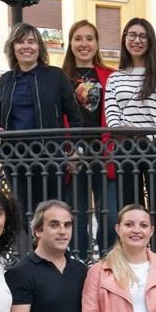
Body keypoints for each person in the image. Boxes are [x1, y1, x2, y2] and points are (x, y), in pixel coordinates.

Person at [0, 23, 83, 239]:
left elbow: (75, 118)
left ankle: (55, 259)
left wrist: (73, 149)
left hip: (50, 156)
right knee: (23, 212)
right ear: (13, 47)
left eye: (31, 41)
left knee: (52, 212)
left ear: (39, 47)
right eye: (20, 42)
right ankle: (29, 260)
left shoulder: (55, 76)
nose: (26, 47)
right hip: (15, 157)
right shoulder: (6, 80)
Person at [104, 18, 156, 253]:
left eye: (142, 36)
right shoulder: (115, 78)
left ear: (151, 41)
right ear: (124, 40)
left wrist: (148, 137)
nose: (136, 40)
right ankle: (132, 256)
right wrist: (129, 136)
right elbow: (112, 115)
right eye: (131, 35)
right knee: (130, 208)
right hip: (126, 148)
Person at [61, 20, 114, 257]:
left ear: (97, 43)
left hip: (104, 152)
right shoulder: (60, 77)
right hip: (73, 153)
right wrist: (67, 149)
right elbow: (57, 116)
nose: (84, 44)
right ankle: (78, 264)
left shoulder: (110, 76)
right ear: (70, 43)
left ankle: (108, 261)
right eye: (78, 38)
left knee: (110, 213)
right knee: (76, 214)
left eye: (89, 38)